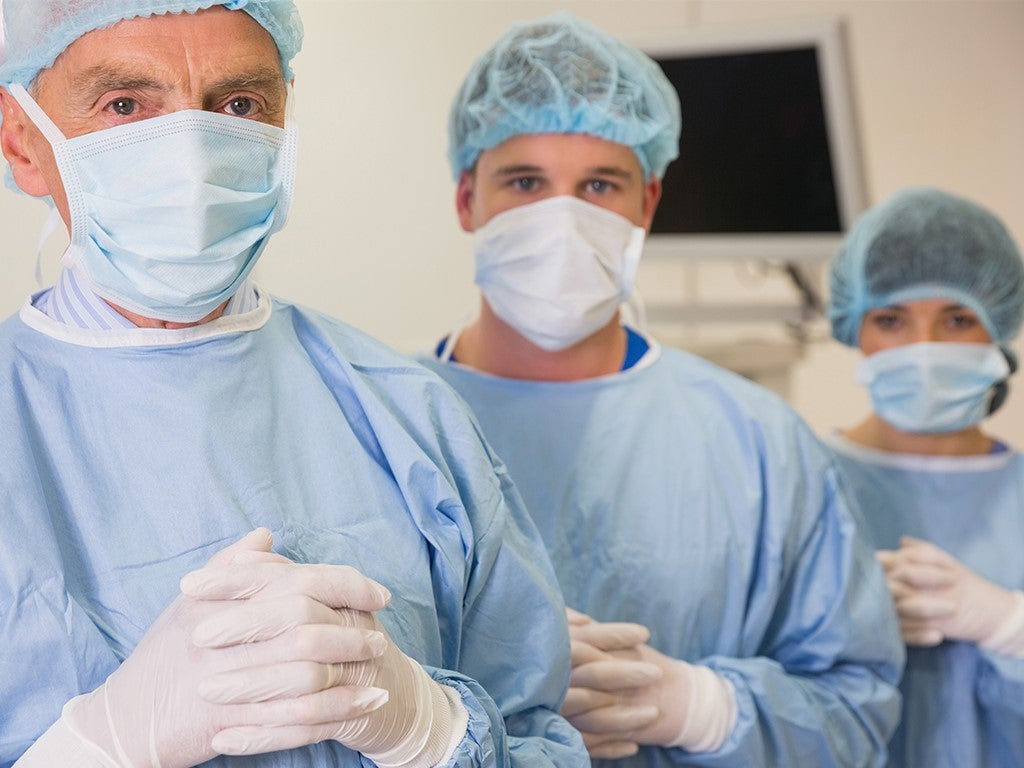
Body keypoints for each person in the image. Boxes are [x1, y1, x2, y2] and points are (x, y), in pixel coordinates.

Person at [0, 3, 589, 767]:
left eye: (237, 105)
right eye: (125, 105)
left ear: (282, 123)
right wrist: (95, 747)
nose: (194, 158)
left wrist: (437, 734)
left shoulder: (406, 412)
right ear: (23, 141)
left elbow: (542, 735)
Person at [417, 11, 904, 767]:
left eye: (599, 185)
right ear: (465, 200)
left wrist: (702, 708)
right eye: (525, 182)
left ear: (647, 204)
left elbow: (858, 707)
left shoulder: (758, 442)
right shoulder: (390, 426)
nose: (564, 218)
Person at [825, 186, 1024, 767]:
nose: (925, 349)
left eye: (957, 319)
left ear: (999, 328)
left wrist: (1009, 623)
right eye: (891, 319)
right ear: (854, 330)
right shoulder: (802, 483)